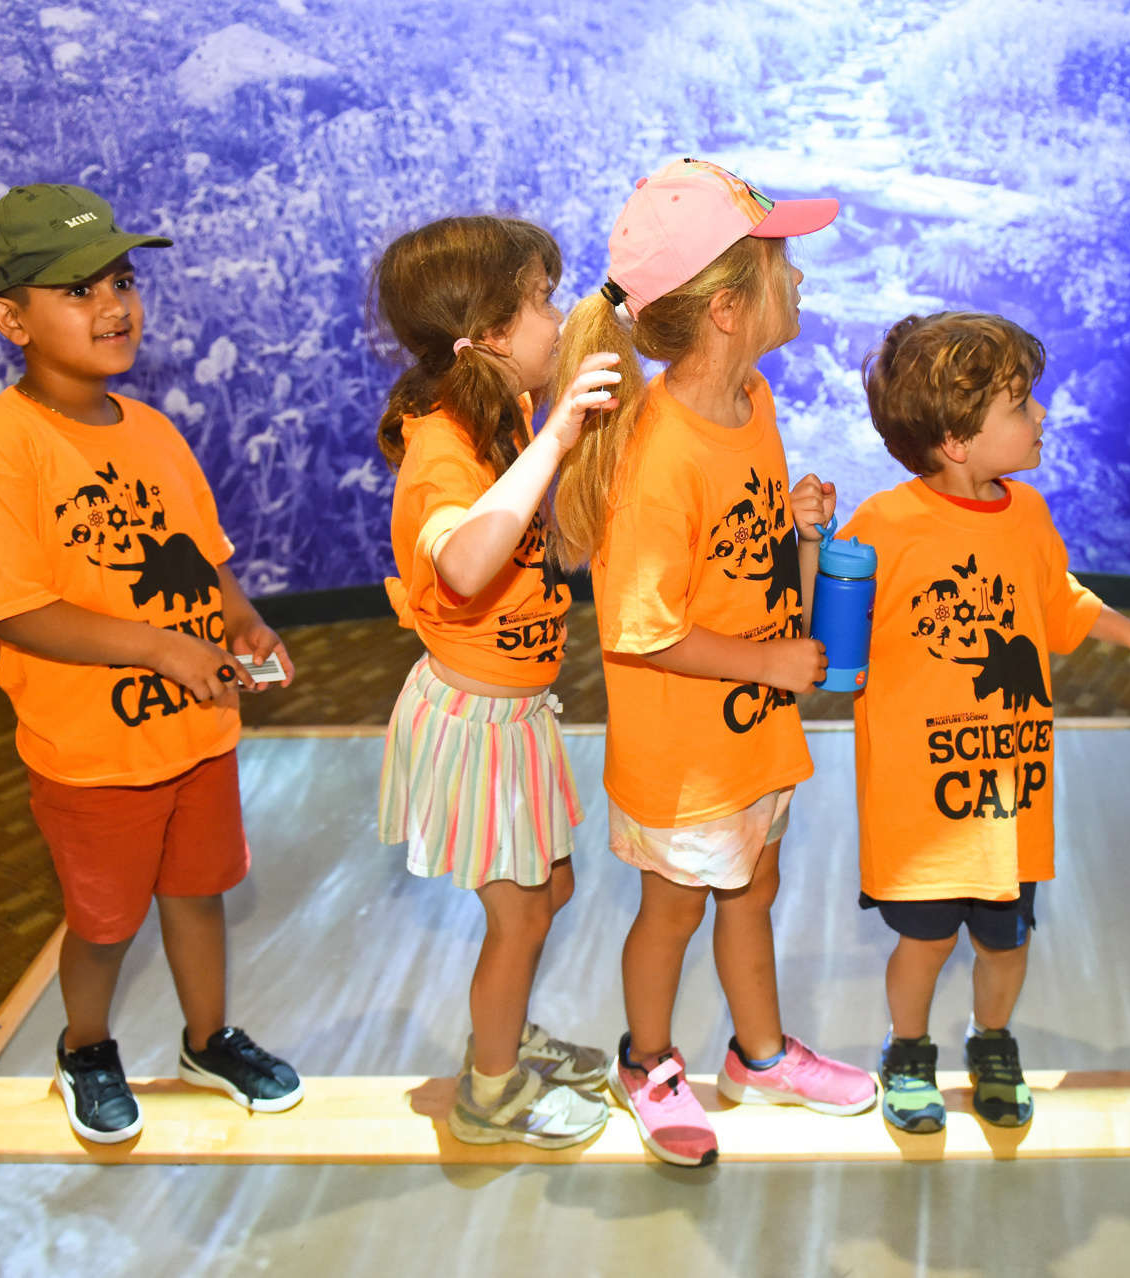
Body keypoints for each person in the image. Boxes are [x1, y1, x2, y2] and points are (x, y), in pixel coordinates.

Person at [0, 184, 302, 1144]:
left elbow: (202, 561)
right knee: (103, 923)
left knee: (198, 892)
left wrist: (246, 623)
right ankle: (85, 1047)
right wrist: (156, 646)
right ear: (10, 319)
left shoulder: (150, 430)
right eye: (75, 290)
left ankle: (208, 1036)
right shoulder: (0, 455)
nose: (113, 307)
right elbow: (15, 613)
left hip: (198, 728)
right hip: (93, 753)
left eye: (122, 280)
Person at [548, 158, 877, 1166]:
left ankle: (759, 1055)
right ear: (730, 307)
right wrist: (770, 662)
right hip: (684, 754)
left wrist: (799, 527)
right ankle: (647, 1061)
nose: (803, 280)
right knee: (674, 909)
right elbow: (639, 629)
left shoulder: (754, 402)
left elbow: (737, 553)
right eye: (785, 263)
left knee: (755, 890)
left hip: (749, 737)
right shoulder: (657, 450)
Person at [846, 311, 1130, 1132]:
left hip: (1009, 797)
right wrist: (810, 552)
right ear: (957, 439)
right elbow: (836, 634)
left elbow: (1058, 600)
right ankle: (907, 1051)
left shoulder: (1028, 514)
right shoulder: (883, 526)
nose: (1042, 415)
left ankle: (993, 1040)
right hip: (920, 807)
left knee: (1006, 941)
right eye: (1020, 404)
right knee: (925, 944)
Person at [372, 215, 622, 1148]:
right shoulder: (442, 446)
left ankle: (507, 1035)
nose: (556, 321)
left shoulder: (499, 409)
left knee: (548, 892)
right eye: (540, 302)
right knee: (518, 918)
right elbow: (467, 566)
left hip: (516, 712)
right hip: (472, 723)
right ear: (484, 336)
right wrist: (555, 439)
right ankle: (489, 1093)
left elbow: (529, 537)